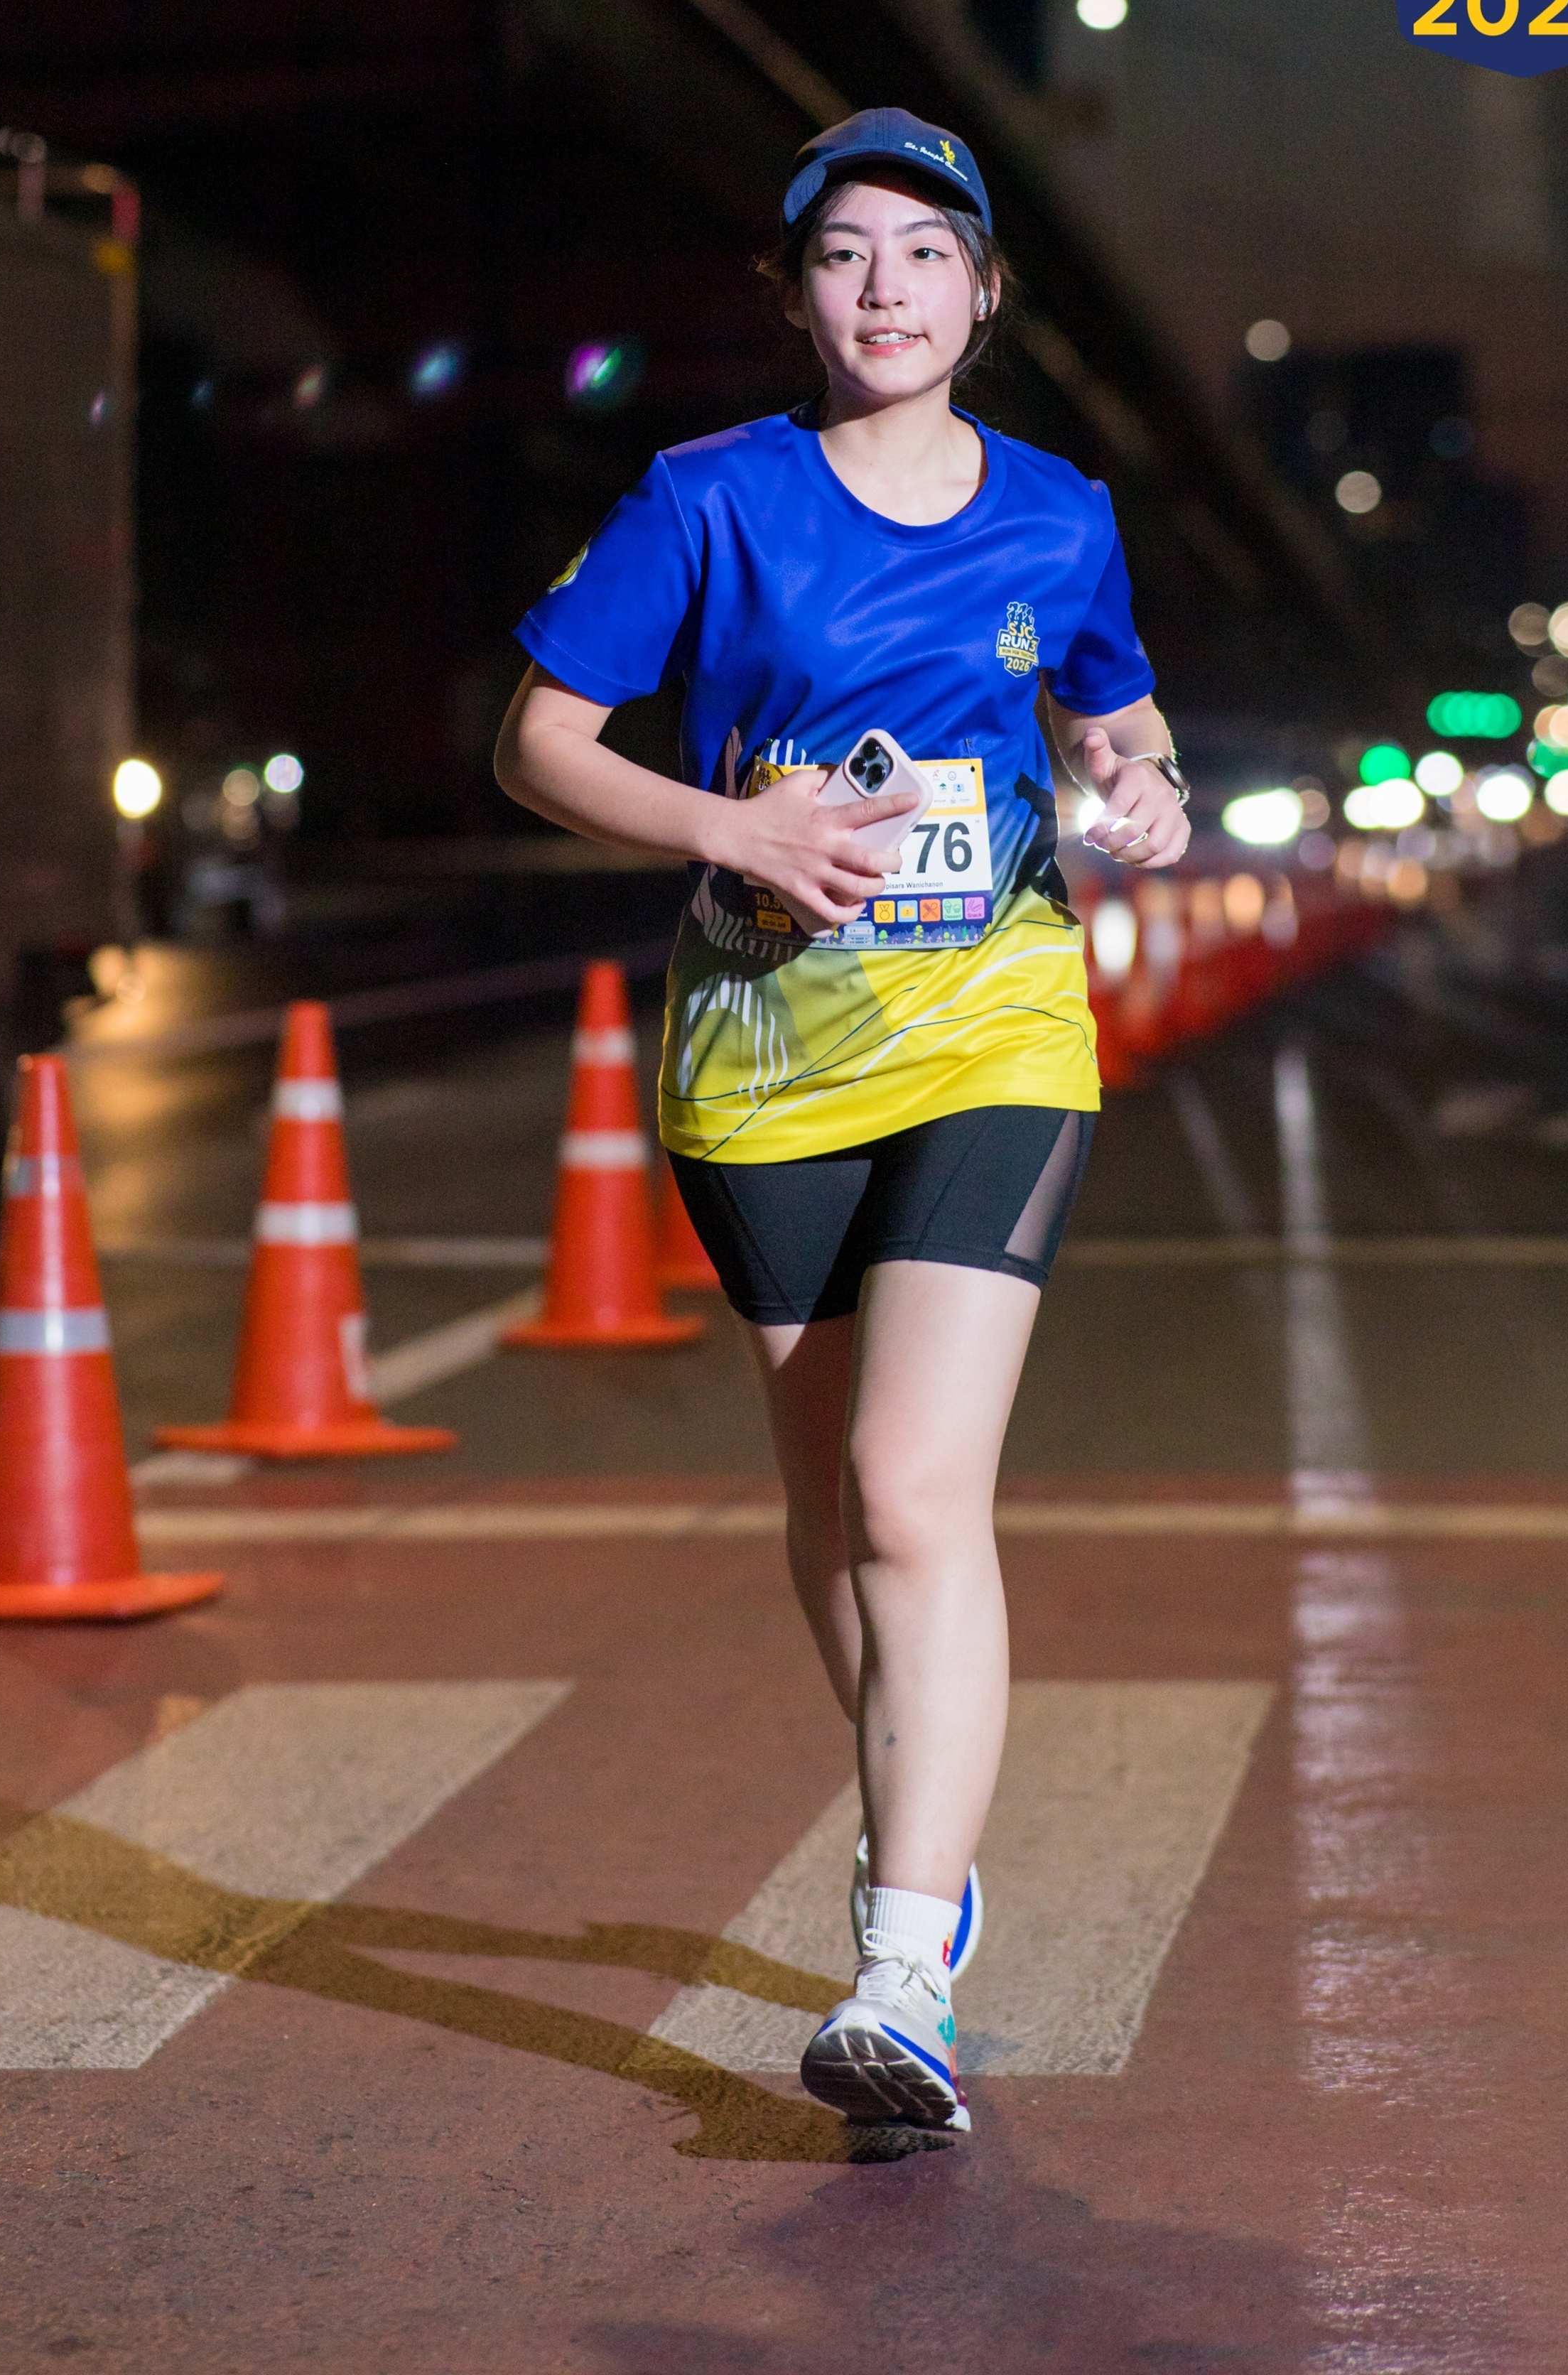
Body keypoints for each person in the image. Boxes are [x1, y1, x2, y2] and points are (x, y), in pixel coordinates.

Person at [495, 107, 1189, 2136]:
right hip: (761, 1053)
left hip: (994, 1024)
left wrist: (1141, 783)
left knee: (907, 1484)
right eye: (842, 253)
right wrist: (734, 829)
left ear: (983, 290)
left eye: (923, 251)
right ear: (795, 294)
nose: (885, 287)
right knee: (831, 1511)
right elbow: (537, 741)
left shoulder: (1060, 512)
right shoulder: (706, 497)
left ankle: (899, 1965)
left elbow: (1113, 707)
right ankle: (933, 1846)